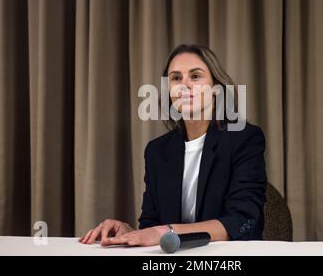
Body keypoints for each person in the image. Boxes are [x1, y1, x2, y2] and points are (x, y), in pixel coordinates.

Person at [79, 44, 267, 247]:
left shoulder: (245, 139)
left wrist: (166, 231)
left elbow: (243, 221)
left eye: (195, 76)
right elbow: (152, 224)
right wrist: (129, 232)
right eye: (176, 78)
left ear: (216, 89)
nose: (184, 85)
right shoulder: (157, 151)